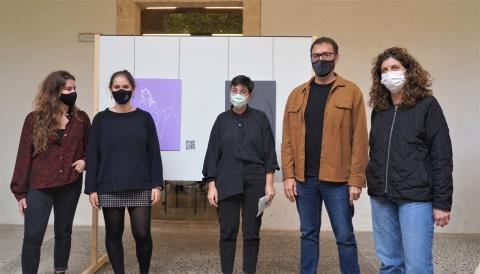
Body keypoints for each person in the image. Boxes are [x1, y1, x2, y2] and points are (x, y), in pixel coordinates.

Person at [281, 37, 369, 274]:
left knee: (344, 236)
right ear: (311, 59)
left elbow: (360, 140)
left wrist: (356, 180)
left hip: (338, 181)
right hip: (304, 180)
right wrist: (288, 176)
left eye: (326, 55)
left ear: (336, 58)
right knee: (308, 234)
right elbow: (287, 140)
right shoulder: (297, 95)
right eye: (316, 56)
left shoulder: (351, 92)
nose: (321, 60)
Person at [367, 47, 453, 274]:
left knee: (417, 267)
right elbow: (374, 149)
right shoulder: (380, 109)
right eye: (384, 70)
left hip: (416, 198)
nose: (389, 73)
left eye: (395, 67)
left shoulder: (427, 106)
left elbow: (442, 155)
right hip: (381, 197)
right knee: (390, 264)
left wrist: (442, 202)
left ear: (408, 71)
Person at [10, 70, 90, 274]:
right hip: (39, 185)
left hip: (69, 184)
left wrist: (84, 161)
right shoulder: (34, 119)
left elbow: (91, 149)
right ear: (55, 92)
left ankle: (60, 271)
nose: (73, 92)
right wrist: (20, 192)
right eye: (69, 89)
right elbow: (23, 156)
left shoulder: (81, 119)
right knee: (33, 235)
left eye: (75, 88)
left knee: (63, 232)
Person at [85, 70, 163, 274]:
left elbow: (154, 152)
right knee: (113, 233)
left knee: (142, 233)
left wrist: (156, 184)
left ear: (133, 89)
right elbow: (92, 155)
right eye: (117, 87)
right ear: (110, 89)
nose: (122, 91)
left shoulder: (144, 118)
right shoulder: (101, 119)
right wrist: (91, 188)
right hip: (109, 185)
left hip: (140, 184)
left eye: (126, 87)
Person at [203, 75, 279, 274]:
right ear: (230, 93)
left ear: (250, 95)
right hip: (227, 178)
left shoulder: (261, 119)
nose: (238, 95)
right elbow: (212, 154)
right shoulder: (221, 120)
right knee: (227, 232)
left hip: (255, 180)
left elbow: (269, 152)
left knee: (252, 232)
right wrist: (212, 185)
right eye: (234, 91)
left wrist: (269, 183)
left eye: (242, 92)